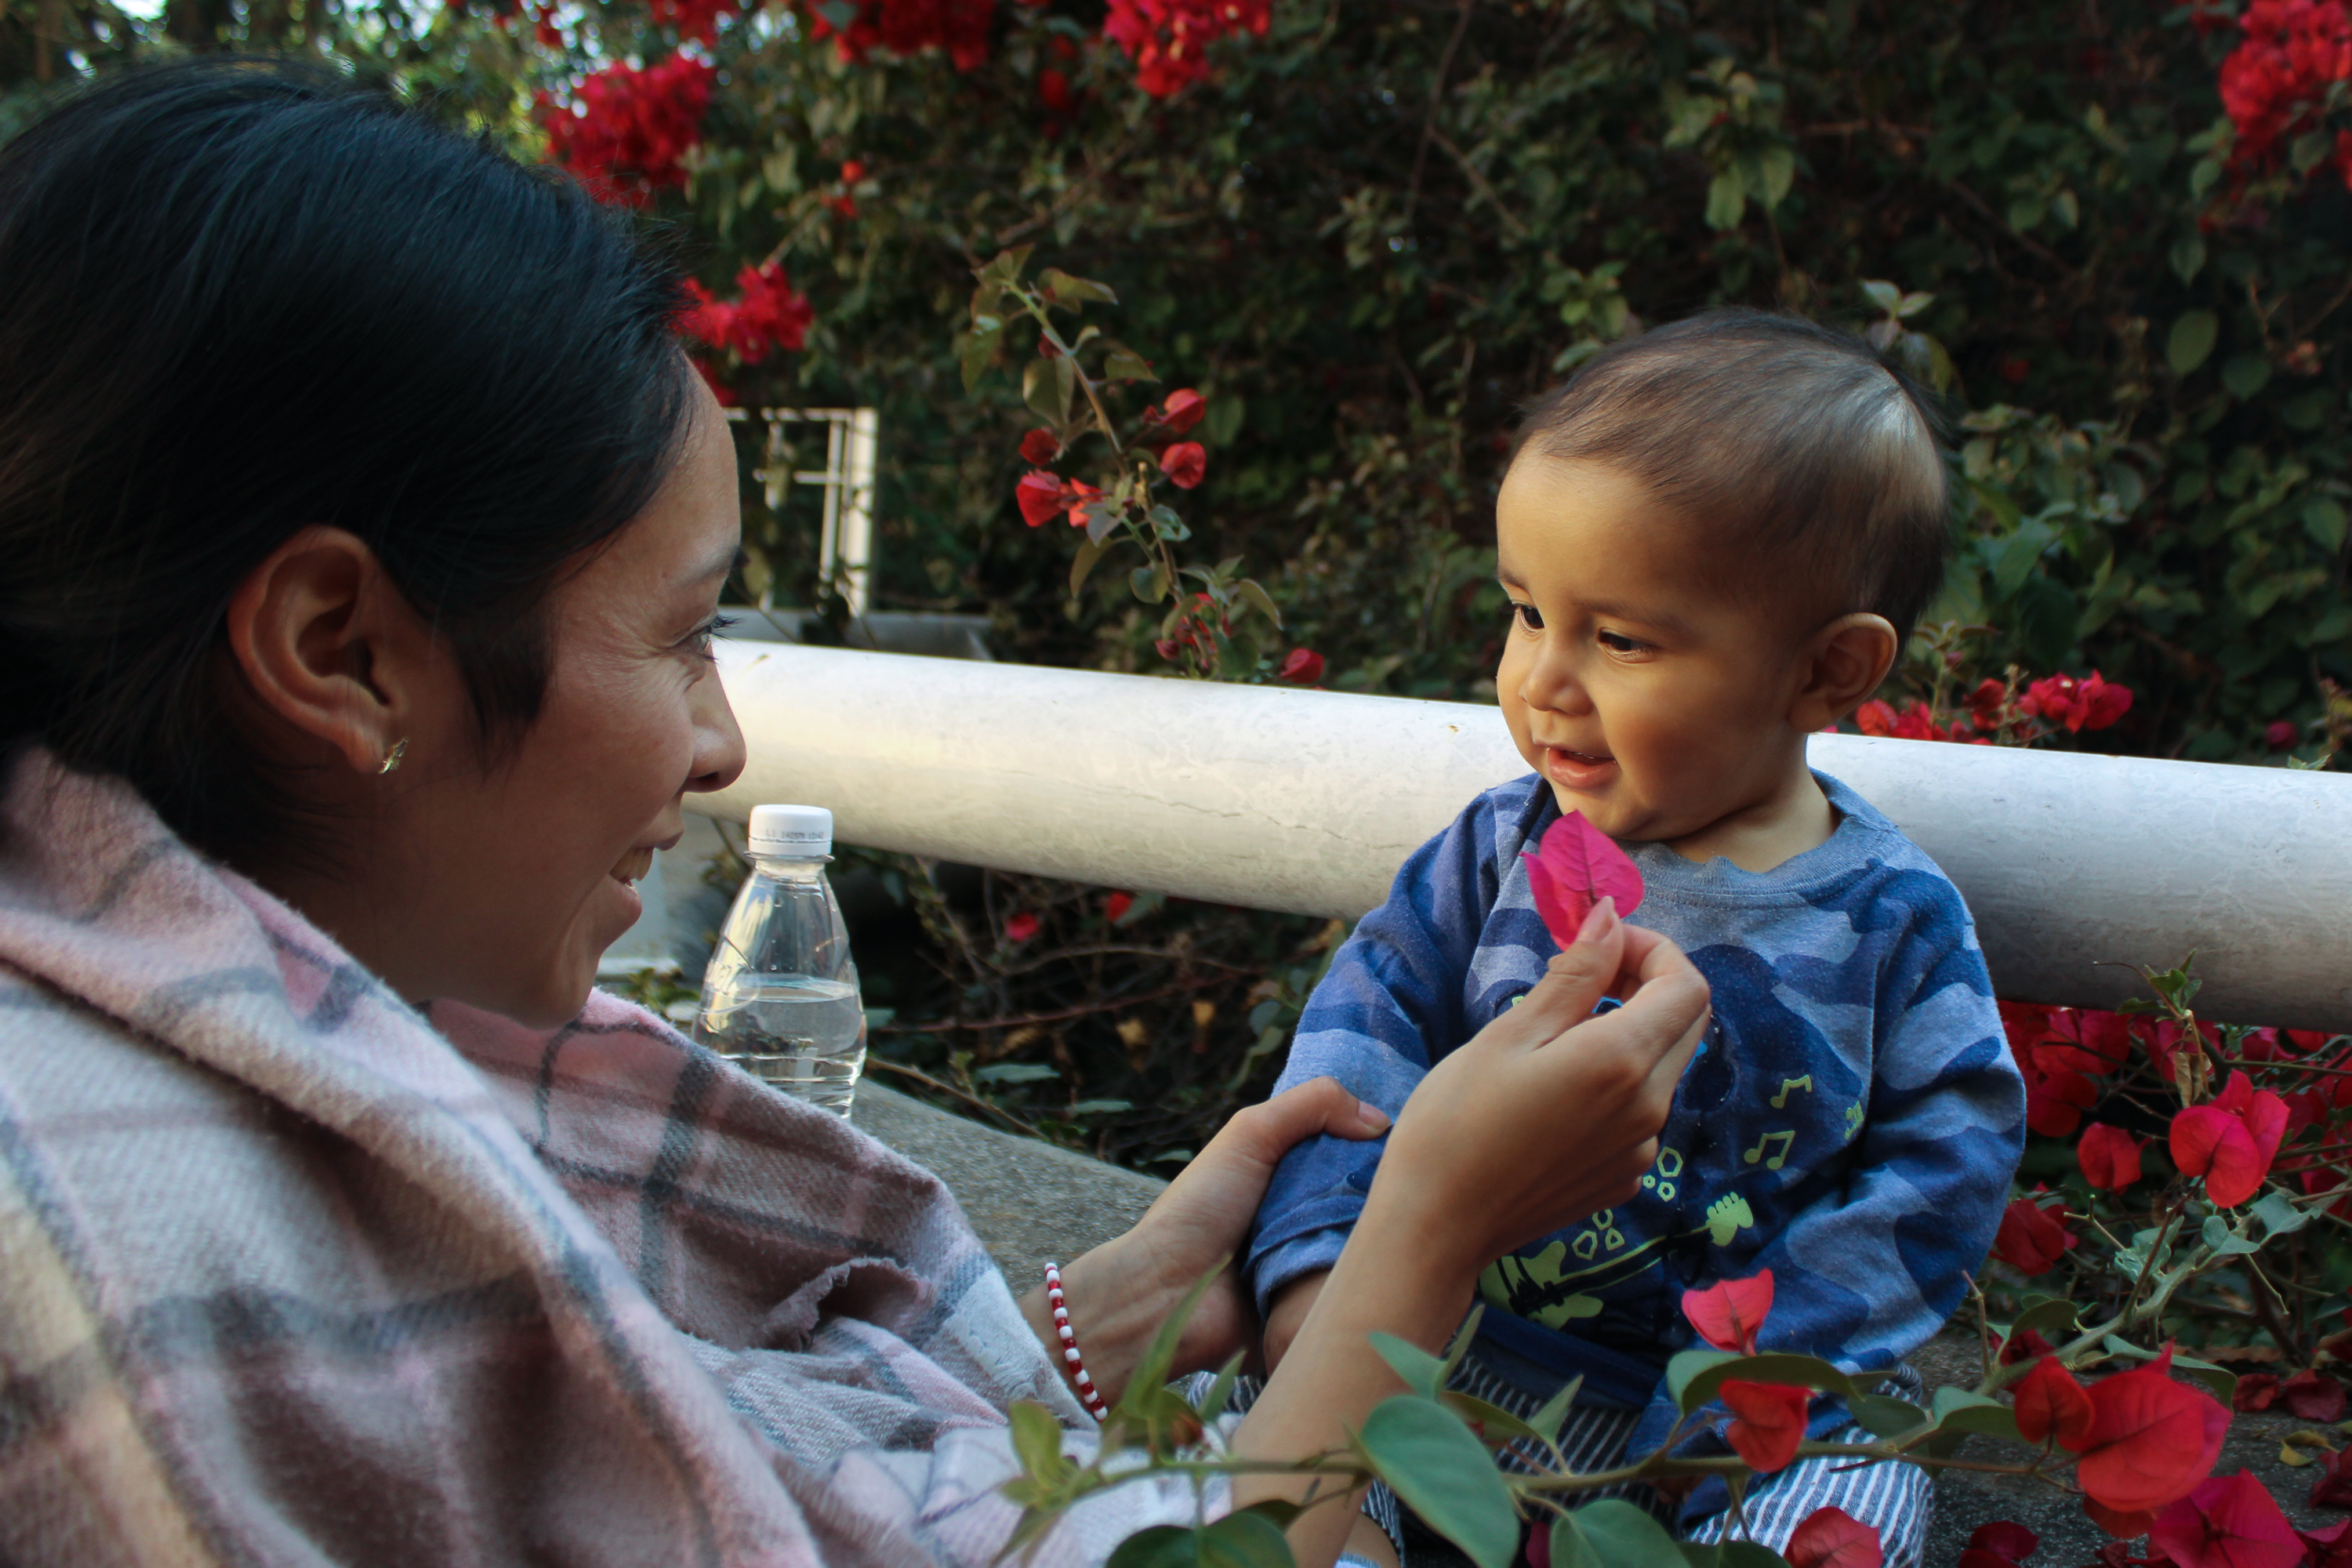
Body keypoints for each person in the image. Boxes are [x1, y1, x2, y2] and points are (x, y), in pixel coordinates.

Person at [0, 60, 1715, 1568]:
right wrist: (1426, 1232)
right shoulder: (138, 1278)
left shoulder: (223, 1047)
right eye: (681, 635)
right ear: (342, 651)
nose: (725, 742)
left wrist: (1093, 1322)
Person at [1245, 313, 2029, 1566]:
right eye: (1523, 613)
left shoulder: (1890, 919)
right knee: (1254, 1432)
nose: (1542, 681)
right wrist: (1317, 1280)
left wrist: (1761, 1384)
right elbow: (1357, 1047)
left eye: (1619, 639)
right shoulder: (1493, 854)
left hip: (1732, 1415)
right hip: (1448, 1358)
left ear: (1828, 670)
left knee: (1856, 1503)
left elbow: (1946, 1160)